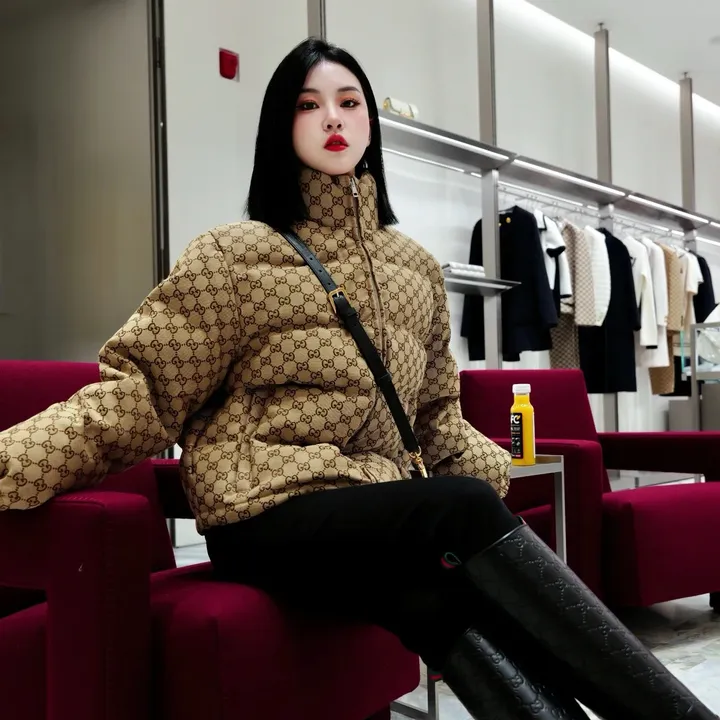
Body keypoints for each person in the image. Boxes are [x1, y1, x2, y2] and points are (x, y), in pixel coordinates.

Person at [0, 37, 715, 720]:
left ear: (371, 121)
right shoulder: (233, 256)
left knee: (438, 605)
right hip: (266, 515)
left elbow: (435, 417)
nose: (333, 119)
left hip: (370, 509)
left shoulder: (415, 269)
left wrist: (499, 473)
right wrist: (9, 462)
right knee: (461, 512)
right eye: (308, 105)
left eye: (349, 102)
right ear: (280, 127)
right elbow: (142, 394)